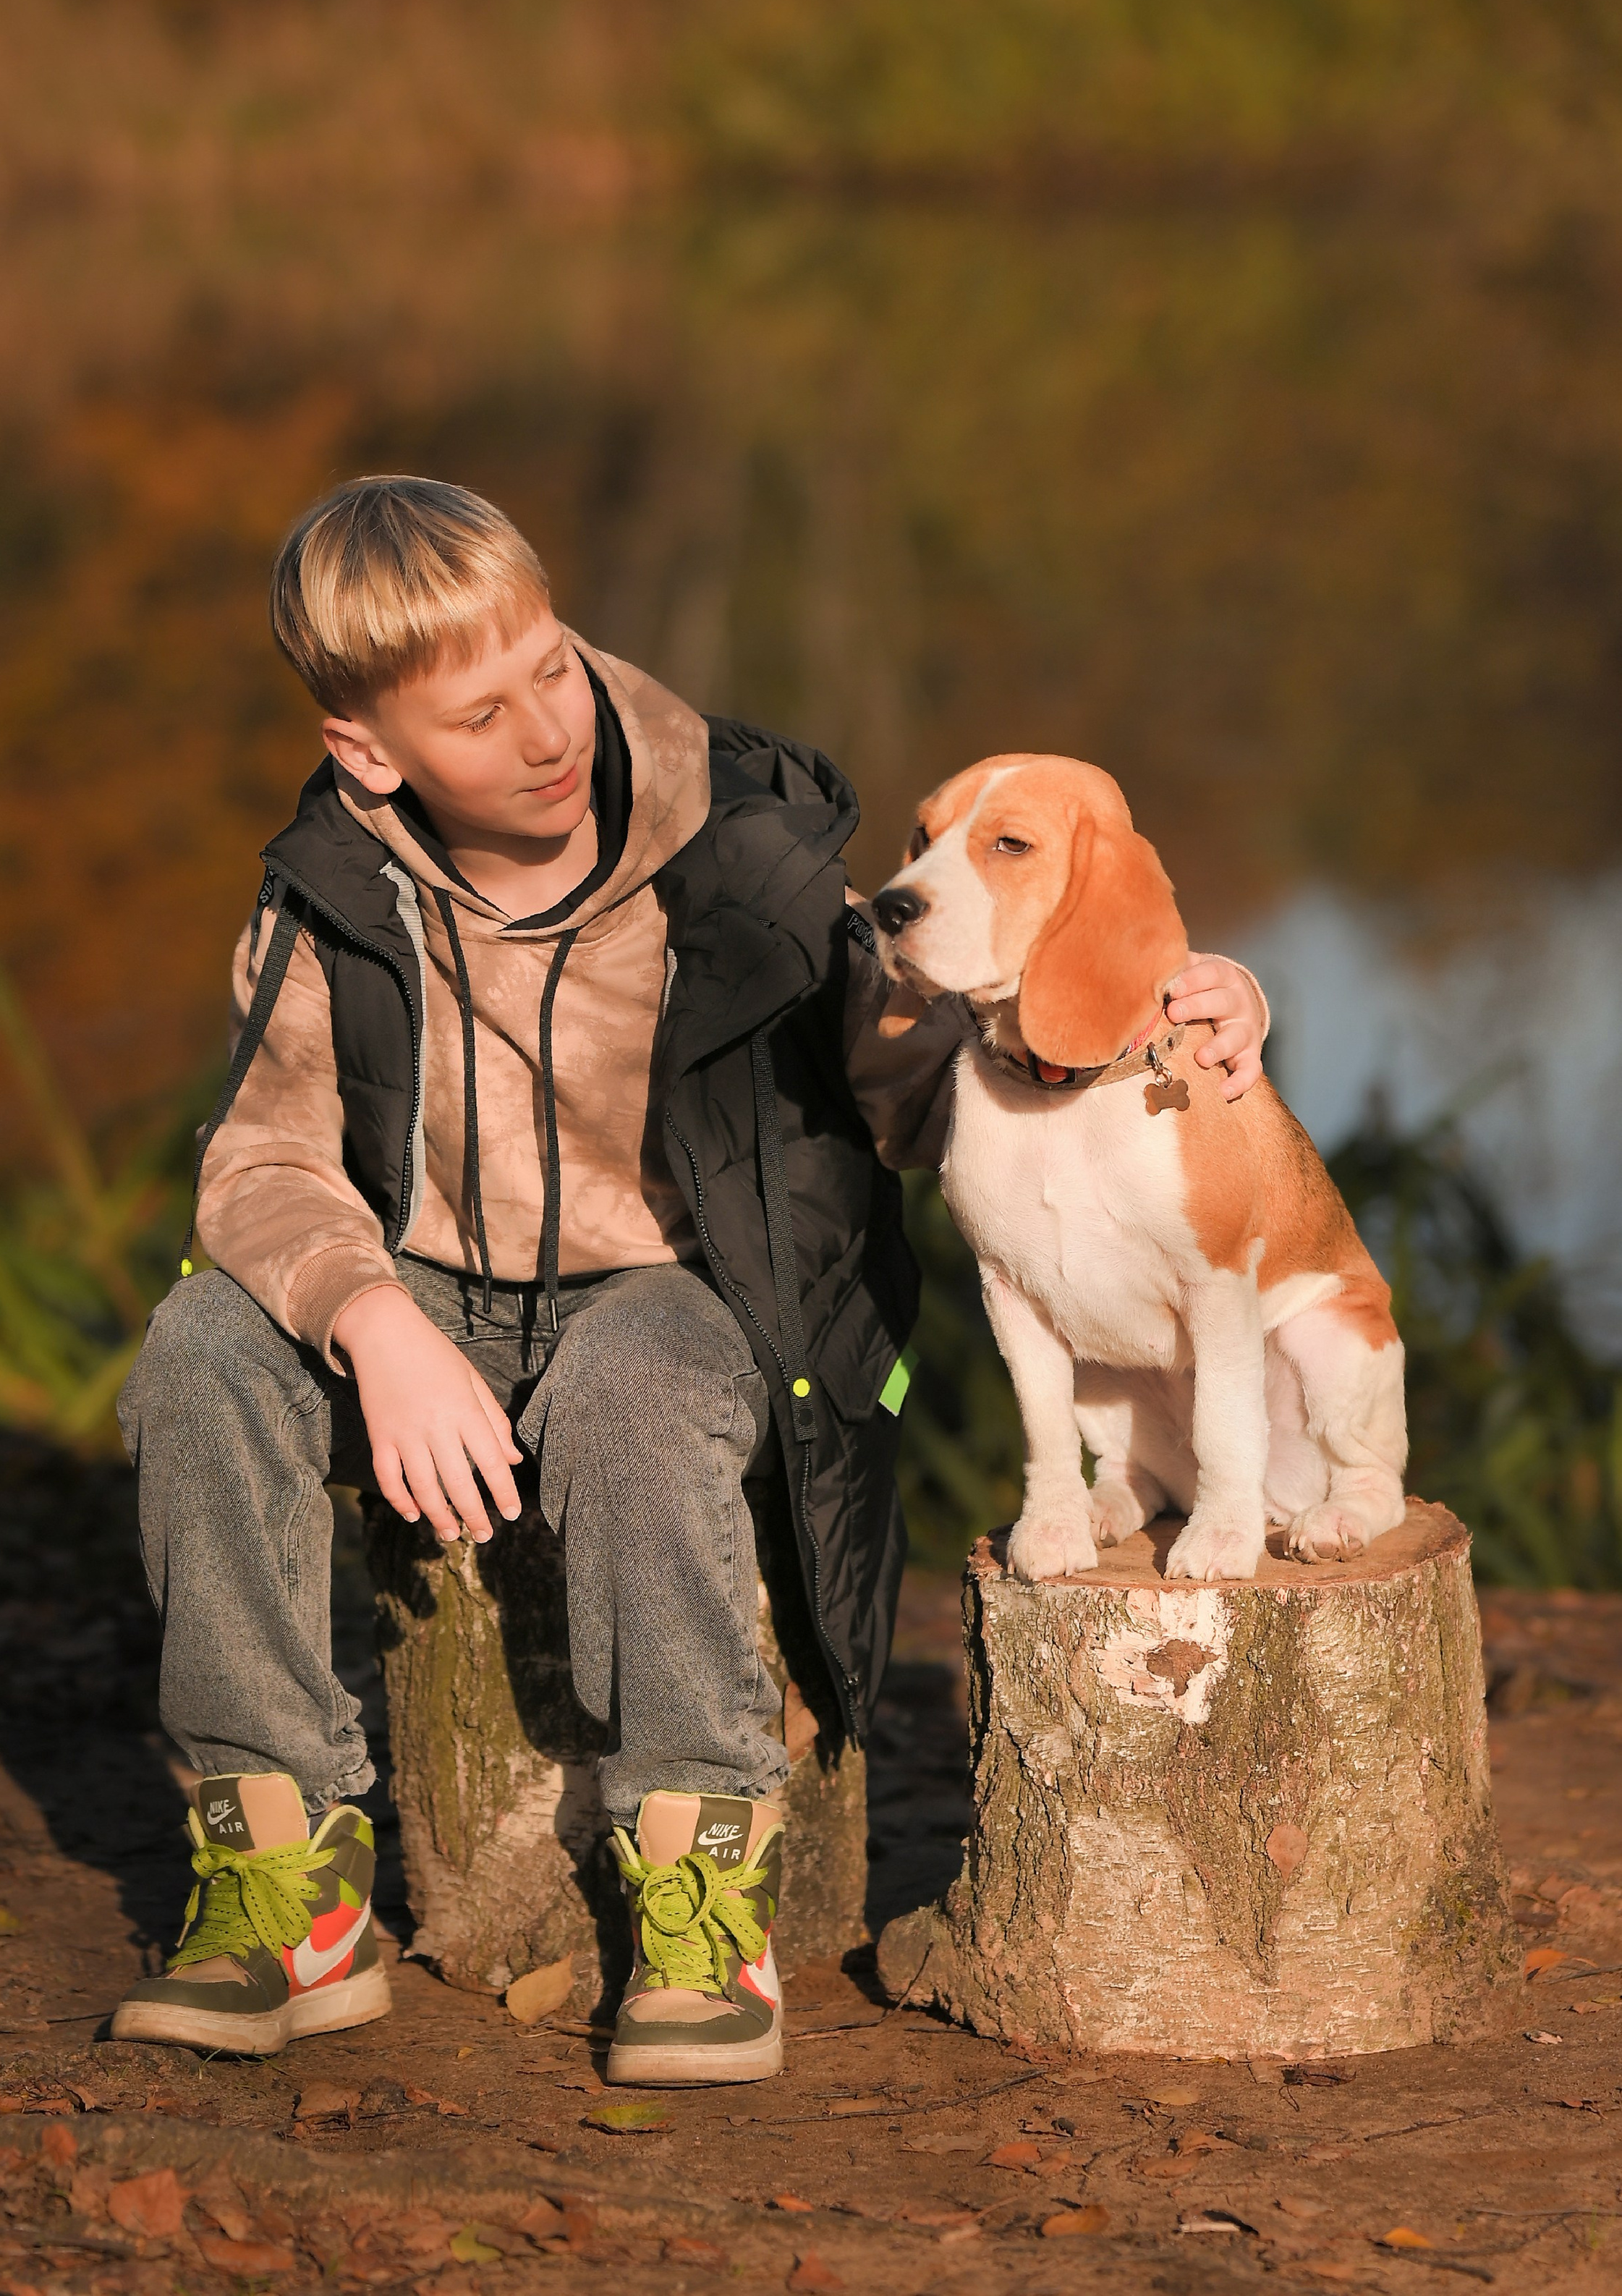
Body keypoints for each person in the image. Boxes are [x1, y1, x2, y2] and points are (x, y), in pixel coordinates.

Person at [109, 477, 1267, 2080]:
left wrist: (1176, 1002)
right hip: (418, 1290)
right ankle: (280, 1862)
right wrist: (369, 1316)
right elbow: (261, 1163)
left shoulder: (748, 857)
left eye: (549, 666)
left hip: (662, 1293)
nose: (540, 732)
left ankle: (700, 1868)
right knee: (196, 1351)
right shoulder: (327, 891)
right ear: (369, 752)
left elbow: (936, 1076)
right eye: (476, 713)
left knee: (639, 1377)